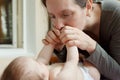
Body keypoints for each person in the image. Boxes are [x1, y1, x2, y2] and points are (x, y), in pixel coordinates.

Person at [41, 0, 120, 80]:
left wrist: (91, 46)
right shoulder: (61, 23)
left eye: (66, 14)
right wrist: (60, 49)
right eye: (52, 16)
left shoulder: (117, 16)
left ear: (88, 6)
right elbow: (74, 71)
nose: (58, 26)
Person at [1, 44, 100, 80]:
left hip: (76, 68)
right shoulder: (61, 77)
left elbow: (43, 58)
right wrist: (70, 42)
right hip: (89, 75)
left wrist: (51, 42)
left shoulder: (41, 72)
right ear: (43, 76)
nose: (38, 61)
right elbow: (72, 61)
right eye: (37, 63)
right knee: (92, 62)